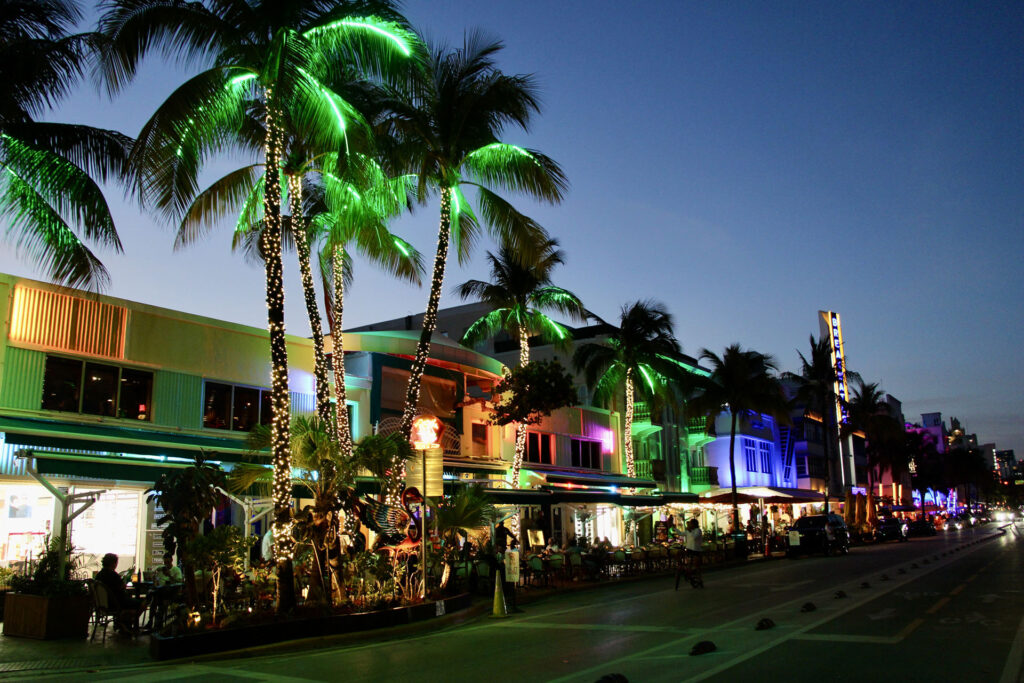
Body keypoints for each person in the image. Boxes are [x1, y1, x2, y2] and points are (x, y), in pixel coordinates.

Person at [95, 553, 143, 635]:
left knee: (129, 603)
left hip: (104, 605)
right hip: (116, 603)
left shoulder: (98, 575)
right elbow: (122, 587)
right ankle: (124, 620)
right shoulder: (113, 575)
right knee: (142, 603)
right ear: (113, 563)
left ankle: (122, 621)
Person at [677, 519, 704, 590]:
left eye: (690, 524)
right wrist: (674, 528)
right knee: (688, 564)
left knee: (696, 565)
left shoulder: (698, 531)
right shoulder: (689, 531)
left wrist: (689, 531)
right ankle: (689, 574)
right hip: (689, 550)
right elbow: (680, 533)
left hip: (696, 550)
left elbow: (694, 537)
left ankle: (699, 578)